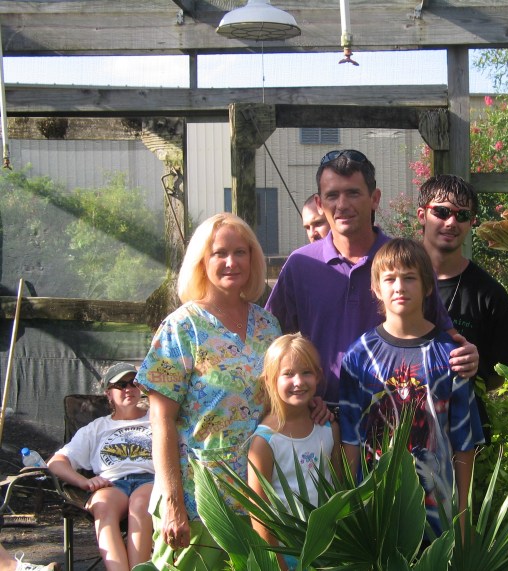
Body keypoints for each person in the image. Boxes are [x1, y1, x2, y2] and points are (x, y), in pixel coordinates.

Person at [266, 150, 479, 407]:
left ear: (375, 198)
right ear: (320, 204)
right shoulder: (301, 265)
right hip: (319, 416)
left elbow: (441, 331)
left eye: (353, 193)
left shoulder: (406, 262)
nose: (342, 205)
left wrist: (465, 355)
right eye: (332, 195)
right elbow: (269, 341)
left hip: (392, 415)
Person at [137, 213, 289, 570]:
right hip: (197, 502)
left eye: (240, 252)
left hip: (256, 500)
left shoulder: (268, 326)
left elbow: (276, 403)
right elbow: (161, 419)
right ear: (202, 262)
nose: (231, 262)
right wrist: (173, 502)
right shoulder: (181, 327)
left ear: (253, 259)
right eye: (220, 253)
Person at [339, 238, 483, 538]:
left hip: (438, 517)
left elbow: (464, 443)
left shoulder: (450, 355)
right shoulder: (359, 356)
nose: (399, 287)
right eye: (389, 279)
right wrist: (349, 508)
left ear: (428, 286)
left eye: (409, 278)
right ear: (376, 288)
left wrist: (463, 514)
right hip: (374, 512)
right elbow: (350, 439)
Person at [417, 174, 508, 442]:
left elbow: (504, 375)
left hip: (463, 434)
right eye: (441, 212)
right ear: (421, 215)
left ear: (472, 222)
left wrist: (477, 366)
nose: (451, 222)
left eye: (462, 215)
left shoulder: (489, 294)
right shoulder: (392, 281)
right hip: (399, 424)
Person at [47, 362, 154, 571]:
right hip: (112, 484)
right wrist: (84, 482)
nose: (128, 389)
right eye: (120, 385)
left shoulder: (155, 418)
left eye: (133, 383)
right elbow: (56, 462)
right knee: (103, 507)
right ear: (108, 393)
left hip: (150, 480)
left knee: (140, 505)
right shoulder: (97, 428)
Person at [248, 334, 340, 571]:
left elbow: (339, 489)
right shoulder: (264, 442)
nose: (298, 381)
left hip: (328, 552)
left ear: (318, 375)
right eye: (288, 374)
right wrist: (277, 565)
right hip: (285, 555)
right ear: (270, 380)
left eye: (306, 372)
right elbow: (259, 511)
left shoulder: (329, 429)